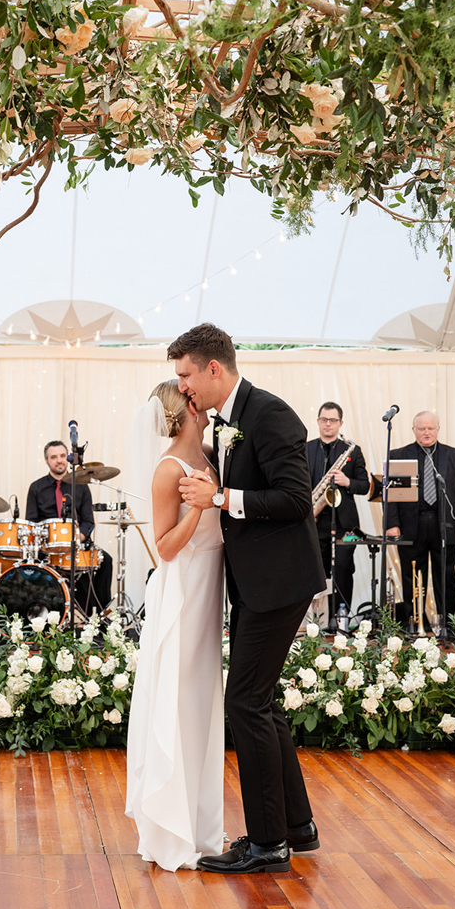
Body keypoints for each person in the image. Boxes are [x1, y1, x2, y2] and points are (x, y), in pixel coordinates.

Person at [171, 323, 326, 875]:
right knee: (262, 700)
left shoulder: (270, 413)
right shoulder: (228, 421)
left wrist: (219, 497)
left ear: (214, 368)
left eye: (186, 375)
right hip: (260, 581)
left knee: (246, 702)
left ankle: (267, 845)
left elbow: (294, 499)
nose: (182, 386)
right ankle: (295, 826)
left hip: (279, 582)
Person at [125, 381, 225, 871]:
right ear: (184, 409)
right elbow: (163, 548)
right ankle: (171, 831)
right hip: (183, 592)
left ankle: (203, 829)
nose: (203, 400)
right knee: (180, 702)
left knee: (204, 705)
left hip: (210, 589)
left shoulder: (212, 456)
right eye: (194, 398)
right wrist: (199, 510)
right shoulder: (169, 470)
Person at [386, 411, 455, 633]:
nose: (426, 432)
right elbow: (391, 496)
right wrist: (391, 523)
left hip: (445, 526)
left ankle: (448, 625)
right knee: (411, 576)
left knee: (445, 576)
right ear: (413, 430)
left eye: (430, 428)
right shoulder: (399, 455)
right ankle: (414, 622)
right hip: (410, 526)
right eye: (421, 428)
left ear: (438, 429)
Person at [25, 440, 113, 613]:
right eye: (53, 457)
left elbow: (89, 522)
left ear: (68, 458)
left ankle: (101, 616)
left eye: (62, 456)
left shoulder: (81, 486)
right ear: (46, 461)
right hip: (47, 548)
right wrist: (48, 541)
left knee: (106, 561)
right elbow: (31, 523)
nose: (59, 460)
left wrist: (77, 538)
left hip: (76, 544)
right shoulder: (36, 488)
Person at [307, 402, 370, 618]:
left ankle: (342, 619)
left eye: (333, 420)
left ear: (340, 423)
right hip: (315, 521)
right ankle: (322, 621)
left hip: (345, 525)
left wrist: (346, 481)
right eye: (324, 419)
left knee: (343, 569)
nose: (328, 424)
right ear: (318, 421)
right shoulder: (306, 449)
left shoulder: (353, 450)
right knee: (319, 572)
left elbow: (365, 485)